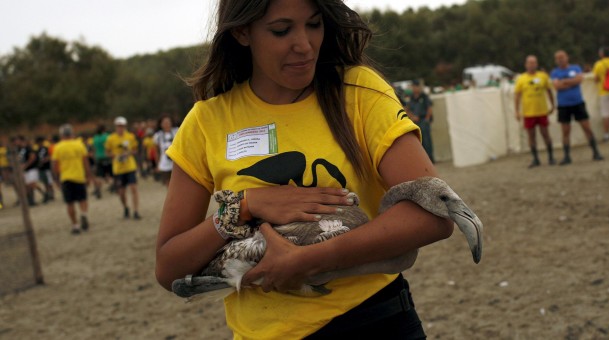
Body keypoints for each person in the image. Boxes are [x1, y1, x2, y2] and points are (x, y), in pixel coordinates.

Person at [155, 0, 455, 338]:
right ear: (241, 32)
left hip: (373, 321)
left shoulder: (359, 92)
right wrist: (244, 206)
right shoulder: (206, 121)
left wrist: (312, 259)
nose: (304, 45)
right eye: (281, 30)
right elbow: (169, 268)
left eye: (314, 24)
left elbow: (435, 213)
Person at [550, 50, 603, 165]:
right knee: (565, 131)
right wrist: (571, 82)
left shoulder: (575, 68)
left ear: (567, 57)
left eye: (562, 57)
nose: (560, 60)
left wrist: (564, 82)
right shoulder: (555, 72)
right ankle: (567, 156)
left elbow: (579, 79)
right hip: (563, 105)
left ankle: (595, 151)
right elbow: (557, 86)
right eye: (558, 58)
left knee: (587, 127)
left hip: (577, 102)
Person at [514, 55, 556, 168]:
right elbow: (517, 96)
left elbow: (549, 91)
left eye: (534, 63)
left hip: (542, 111)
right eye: (530, 63)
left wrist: (553, 105)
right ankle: (535, 159)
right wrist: (517, 111)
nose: (532, 65)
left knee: (545, 133)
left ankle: (551, 157)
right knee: (531, 136)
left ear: (537, 64)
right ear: (526, 64)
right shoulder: (521, 79)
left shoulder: (543, 76)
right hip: (528, 112)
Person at [52, 124, 91, 234]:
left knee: (70, 203)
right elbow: (85, 162)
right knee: (82, 199)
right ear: (72, 134)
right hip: (79, 176)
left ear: (61, 135)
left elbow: (55, 165)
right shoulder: (79, 145)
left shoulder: (58, 147)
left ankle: (75, 225)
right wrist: (88, 176)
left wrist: (56, 179)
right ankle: (83, 214)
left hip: (66, 178)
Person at [106, 116, 141, 219]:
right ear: (116, 127)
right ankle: (126, 207)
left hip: (130, 166)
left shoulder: (130, 136)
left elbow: (135, 149)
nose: (120, 128)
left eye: (122, 126)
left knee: (133, 188)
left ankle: (136, 211)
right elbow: (107, 152)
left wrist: (129, 153)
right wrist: (116, 156)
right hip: (118, 169)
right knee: (121, 192)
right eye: (118, 126)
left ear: (125, 126)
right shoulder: (111, 138)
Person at [406, 79, 435, 163]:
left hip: (423, 120)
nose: (415, 88)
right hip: (415, 122)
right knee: (419, 142)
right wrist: (412, 117)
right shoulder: (411, 98)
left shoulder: (424, 96)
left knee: (427, 141)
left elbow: (429, 108)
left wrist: (426, 119)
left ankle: (430, 159)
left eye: (416, 86)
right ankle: (423, 160)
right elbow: (407, 109)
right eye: (413, 86)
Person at [14, 136, 44, 206]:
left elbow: (32, 157)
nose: (16, 142)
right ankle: (31, 200)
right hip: (25, 170)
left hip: (32, 168)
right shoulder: (19, 150)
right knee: (27, 186)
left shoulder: (28, 148)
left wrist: (26, 165)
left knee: (32, 184)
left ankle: (44, 193)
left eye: (17, 140)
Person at [152, 115, 178, 187]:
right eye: (164, 122)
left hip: (176, 160)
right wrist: (157, 164)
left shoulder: (177, 131)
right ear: (161, 124)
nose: (166, 124)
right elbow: (157, 151)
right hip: (164, 161)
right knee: (167, 182)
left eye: (168, 122)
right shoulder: (158, 135)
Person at [92, 124, 113, 198]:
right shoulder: (107, 137)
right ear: (104, 129)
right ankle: (113, 186)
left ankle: (98, 189)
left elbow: (94, 149)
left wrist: (94, 157)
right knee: (110, 174)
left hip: (99, 158)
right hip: (107, 157)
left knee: (99, 175)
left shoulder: (95, 138)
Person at [35, 136, 55, 203]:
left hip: (47, 167)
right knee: (45, 182)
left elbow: (50, 156)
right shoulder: (37, 150)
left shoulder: (46, 149)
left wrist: (45, 160)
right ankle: (48, 194)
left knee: (49, 182)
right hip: (41, 168)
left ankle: (52, 194)